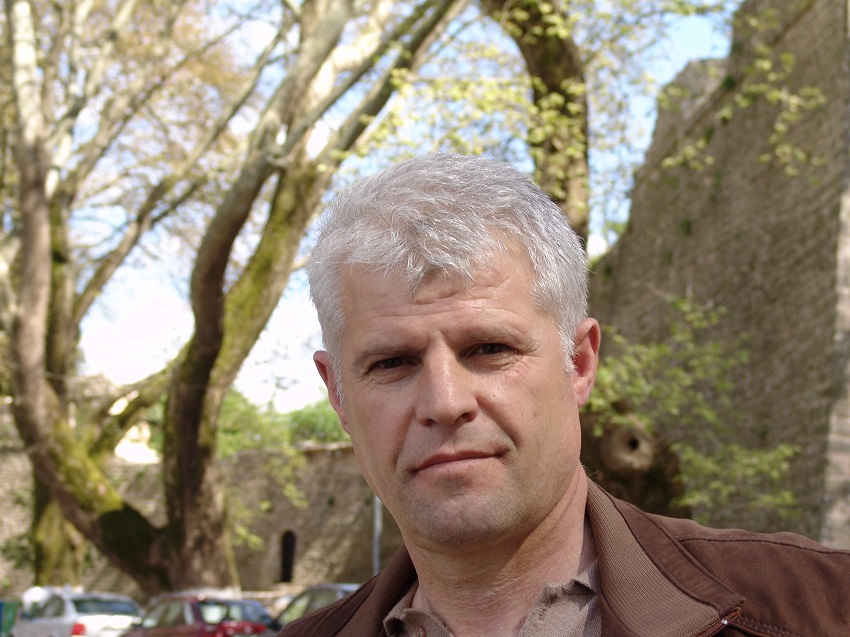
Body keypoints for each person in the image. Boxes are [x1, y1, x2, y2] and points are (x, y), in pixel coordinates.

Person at [284, 153, 850, 636]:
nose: (445, 402)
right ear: (337, 394)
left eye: (489, 349)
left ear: (578, 365)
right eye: (392, 362)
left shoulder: (820, 607)